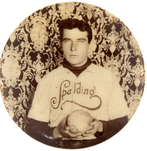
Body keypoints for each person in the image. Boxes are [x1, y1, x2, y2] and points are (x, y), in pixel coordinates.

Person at [25, 19, 129, 148]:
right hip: (60, 145)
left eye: (80, 41)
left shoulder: (107, 78)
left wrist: (101, 126)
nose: (73, 48)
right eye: (67, 41)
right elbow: (33, 127)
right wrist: (57, 131)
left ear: (90, 45)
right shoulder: (48, 80)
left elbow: (123, 122)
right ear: (60, 44)